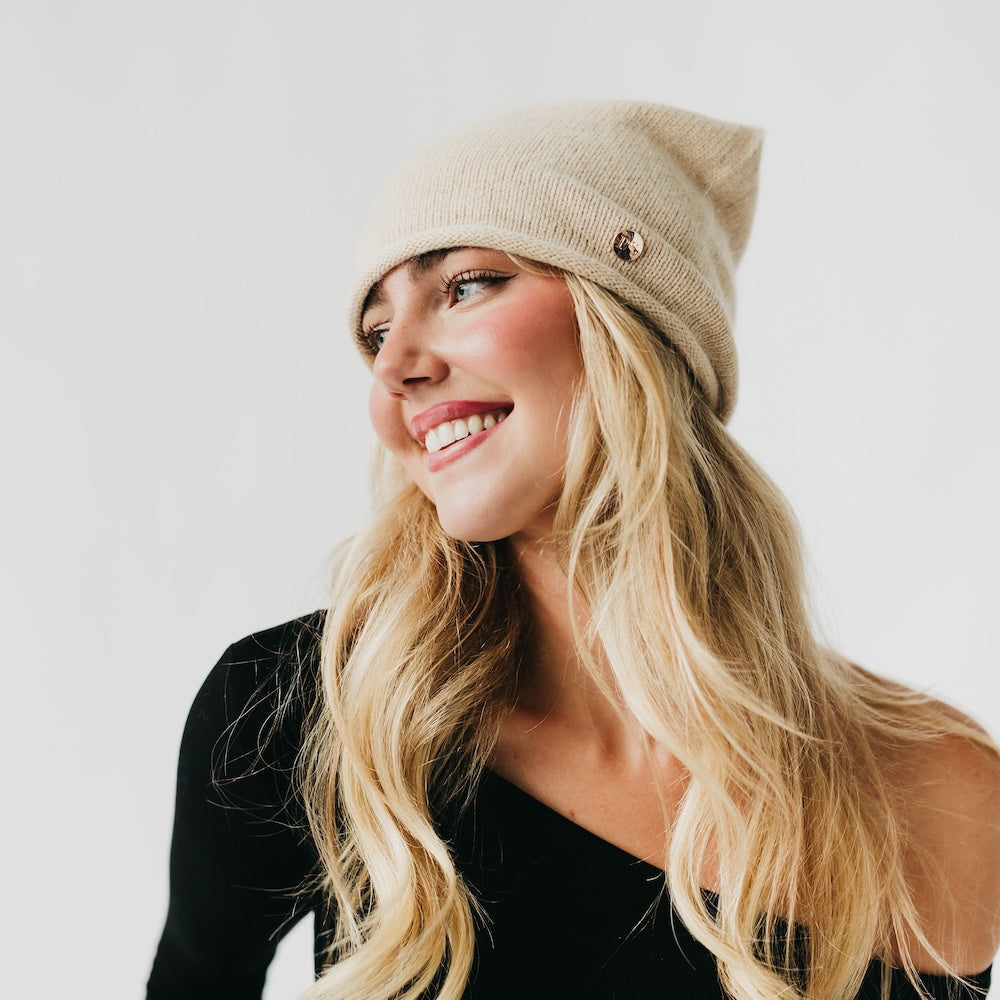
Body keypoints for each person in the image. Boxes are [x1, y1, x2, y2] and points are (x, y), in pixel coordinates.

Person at [146, 100, 1000, 1000]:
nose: (394, 369)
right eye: (374, 332)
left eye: (466, 284)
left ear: (635, 318)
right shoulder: (299, 717)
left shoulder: (938, 791)